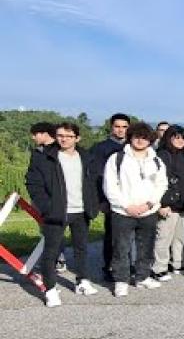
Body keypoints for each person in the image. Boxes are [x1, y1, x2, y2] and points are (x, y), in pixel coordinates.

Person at [25, 122, 100, 307]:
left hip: (81, 211)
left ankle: (82, 281)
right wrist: (47, 207)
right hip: (56, 212)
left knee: (81, 249)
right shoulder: (45, 157)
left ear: (77, 138)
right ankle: (50, 290)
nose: (63, 139)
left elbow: (92, 183)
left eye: (68, 136)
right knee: (50, 252)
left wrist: (94, 204)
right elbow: (34, 184)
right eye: (60, 135)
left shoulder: (86, 157)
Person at [103, 122, 168, 297]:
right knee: (121, 248)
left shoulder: (156, 161)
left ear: (150, 140)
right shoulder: (117, 158)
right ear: (130, 137)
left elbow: (161, 185)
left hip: (148, 211)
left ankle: (142, 277)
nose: (140, 140)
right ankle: (121, 280)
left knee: (146, 246)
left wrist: (149, 204)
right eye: (137, 136)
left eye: (145, 137)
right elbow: (110, 186)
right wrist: (126, 206)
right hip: (123, 211)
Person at [90, 113, 130, 281]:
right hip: (110, 199)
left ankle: (127, 265)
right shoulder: (100, 148)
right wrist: (102, 201)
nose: (121, 130)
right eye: (117, 126)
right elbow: (96, 176)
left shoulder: (133, 147)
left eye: (124, 127)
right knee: (112, 235)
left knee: (129, 236)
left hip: (131, 198)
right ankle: (109, 266)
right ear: (111, 127)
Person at [151, 126, 184, 282]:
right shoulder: (161, 156)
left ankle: (177, 263)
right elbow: (157, 182)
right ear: (168, 138)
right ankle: (158, 268)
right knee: (163, 237)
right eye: (176, 137)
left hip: (182, 204)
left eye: (183, 138)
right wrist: (161, 204)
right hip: (167, 204)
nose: (180, 141)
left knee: (180, 237)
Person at [28, 122, 67, 272]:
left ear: (45, 133)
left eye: (35, 134)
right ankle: (51, 256)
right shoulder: (37, 152)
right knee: (44, 229)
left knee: (56, 228)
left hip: (58, 197)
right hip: (39, 197)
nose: (33, 137)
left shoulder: (61, 150)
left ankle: (59, 259)